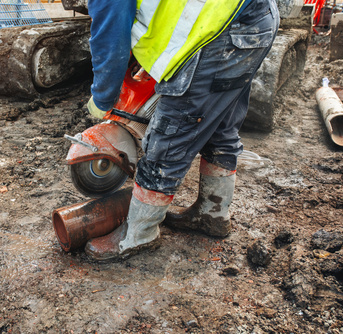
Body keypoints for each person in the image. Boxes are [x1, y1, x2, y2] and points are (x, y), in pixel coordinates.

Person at [84, 0, 280, 261]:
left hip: (216, 31)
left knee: (169, 135)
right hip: (253, 20)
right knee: (219, 124)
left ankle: (139, 234)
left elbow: (110, 38)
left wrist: (103, 99)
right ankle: (212, 213)